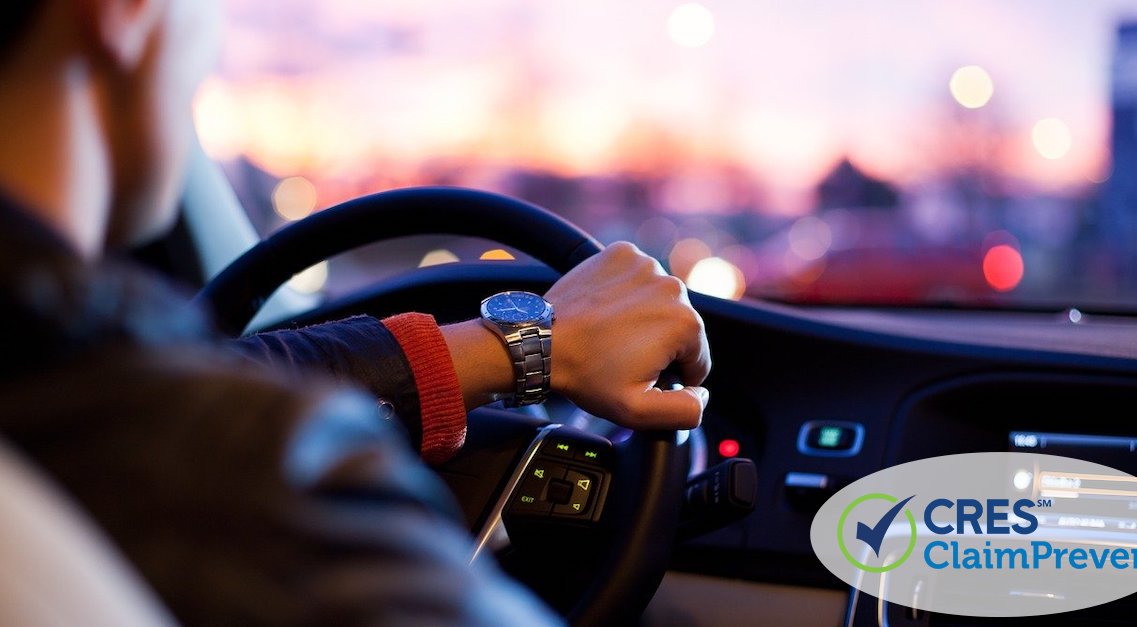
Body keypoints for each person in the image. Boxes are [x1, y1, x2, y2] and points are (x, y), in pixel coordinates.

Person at [0, 0, 711, 625]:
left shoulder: (63, 389)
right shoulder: (260, 490)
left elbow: (191, 374)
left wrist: (520, 347)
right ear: (122, 8)